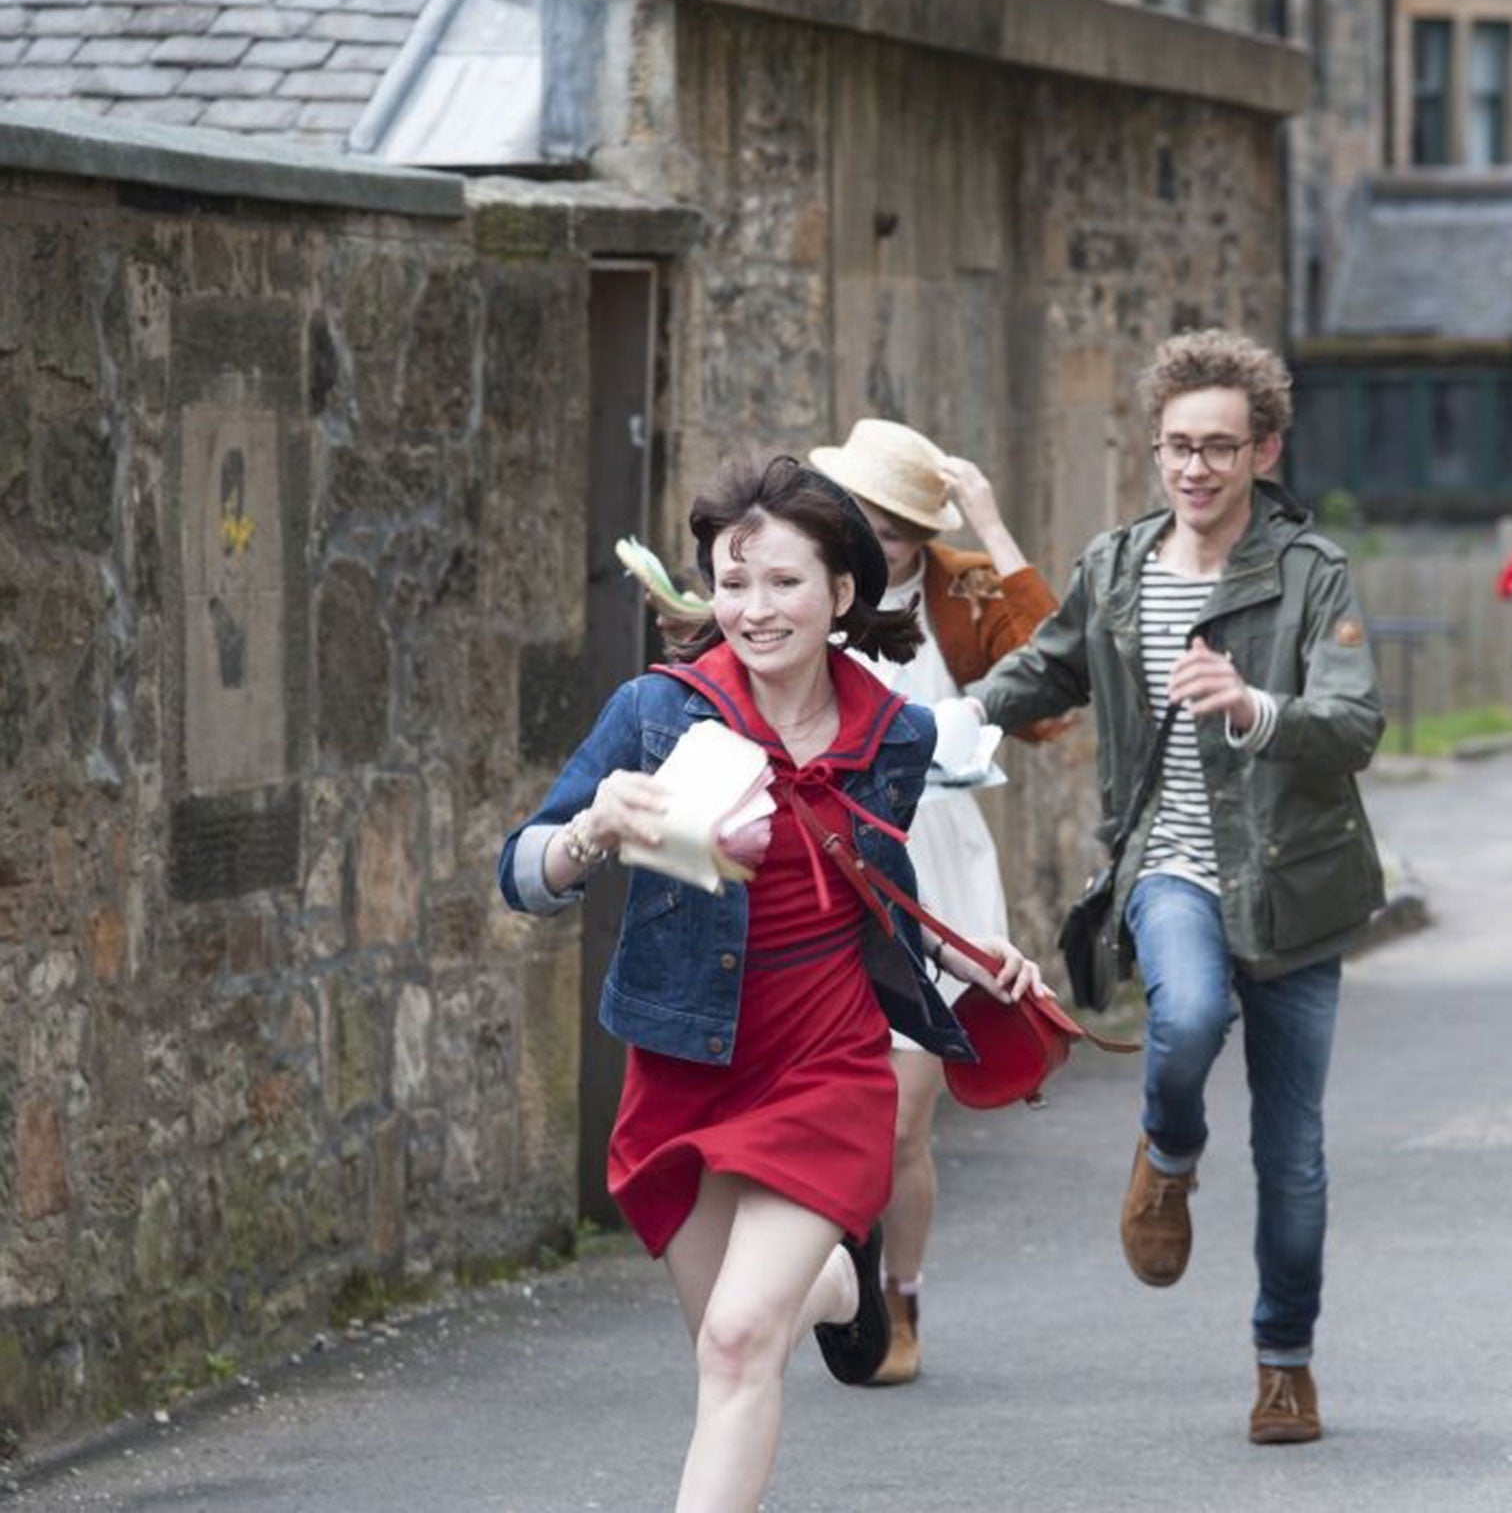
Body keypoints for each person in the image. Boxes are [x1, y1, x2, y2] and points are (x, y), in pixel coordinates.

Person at [497, 457, 1040, 1512]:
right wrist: (593, 832)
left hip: (826, 1061)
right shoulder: (656, 714)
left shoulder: (894, 733)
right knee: (725, 1343)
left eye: (783, 583)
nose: (754, 609)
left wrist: (967, 956)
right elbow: (519, 871)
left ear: (841, 592)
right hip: (684, 1058)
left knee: (743, 1341)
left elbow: (879, 895)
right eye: (732, 582)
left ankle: (821, 1272)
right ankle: (840, 1281)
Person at [963, 329, 1386, 1446]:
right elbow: (1047, 666)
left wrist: (1251, 706)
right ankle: (1167, 1151)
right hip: (1171, 864)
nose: (1193, 469)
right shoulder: (1117, 565)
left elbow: (1353, 724)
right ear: (1154, 451)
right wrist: (953, 720)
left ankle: (1283, 1365)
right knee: (1186, 1014)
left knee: (1292, 1152)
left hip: (1295, 887)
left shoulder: (1310, 572)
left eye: (1217, 448)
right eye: (1175, 448)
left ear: (1261, 451)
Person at [810, 417, 1063, 1386]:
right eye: (859, 515)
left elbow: (1052, 685)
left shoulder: (956, 589)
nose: (873, 536)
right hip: (824, 866)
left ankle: (895, 1297)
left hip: (935, 868)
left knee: (901, 1120)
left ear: (922, 530)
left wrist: (993, 532)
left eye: (894, 522)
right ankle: (834, 1278)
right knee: (834, 1106)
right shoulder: (808, 582)